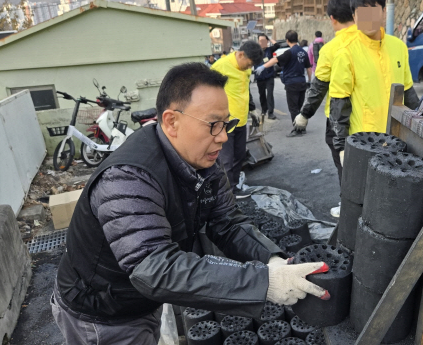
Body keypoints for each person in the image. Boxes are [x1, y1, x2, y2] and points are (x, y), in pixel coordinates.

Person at [52, 62, 330, 345]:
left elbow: (228, 221)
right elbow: (156, 269)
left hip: (141, 299)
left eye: (226, 124)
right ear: (172, 121)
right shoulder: (127, 178)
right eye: (213, 125)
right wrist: (264, 282)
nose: (223, 137)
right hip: (102, 312)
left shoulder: (202, 160)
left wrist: (272, 261)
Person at [328, 0, 418, 163]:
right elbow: (339, 105)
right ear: (354, 17)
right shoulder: (346, 53)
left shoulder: (398, 47)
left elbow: (409, 93)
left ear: (384, 12)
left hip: (398, 140)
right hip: (365, 143)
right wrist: (341, 147)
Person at [292, 0, 357, 217]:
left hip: (343, 124)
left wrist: (304, 115)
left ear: (332, 19)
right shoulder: (382, 42)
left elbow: (319, 88)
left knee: (345, 167)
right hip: (378, 119)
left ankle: (350, 209)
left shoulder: (332, 48)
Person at [211, 41, 263, 191]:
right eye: (248, 64)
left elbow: (246, 90)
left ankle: (233, 186)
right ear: (241, 54)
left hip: (241, 120)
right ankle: (227, 193)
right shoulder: (220, 66)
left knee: (239, 155)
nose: (249, 68)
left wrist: (252, 109)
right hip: (225, 122)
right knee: (226, 160)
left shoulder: (245, 69)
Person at [256, 30, 312, 138]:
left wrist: (263, 66)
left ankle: (297, 129)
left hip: (291, 83)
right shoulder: (303, 52)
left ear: (287, 40)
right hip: (302, 82)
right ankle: (302, 128)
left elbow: (275, 60)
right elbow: (308, 68)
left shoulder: (289, 52)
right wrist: (309, 81)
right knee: (300, 107)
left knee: (293, 108)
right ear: (297, 38)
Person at [255, 34, 282, 120]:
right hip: (260, 77)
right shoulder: (255, 51)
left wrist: (270, 39)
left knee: (270, 95)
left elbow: (277, 45)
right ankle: (264, 110)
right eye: (260, 41)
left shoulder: (269, 50)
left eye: (264, 41)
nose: (262, 43)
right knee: (262, 95)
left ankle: (271, 113)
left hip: (269, 76)